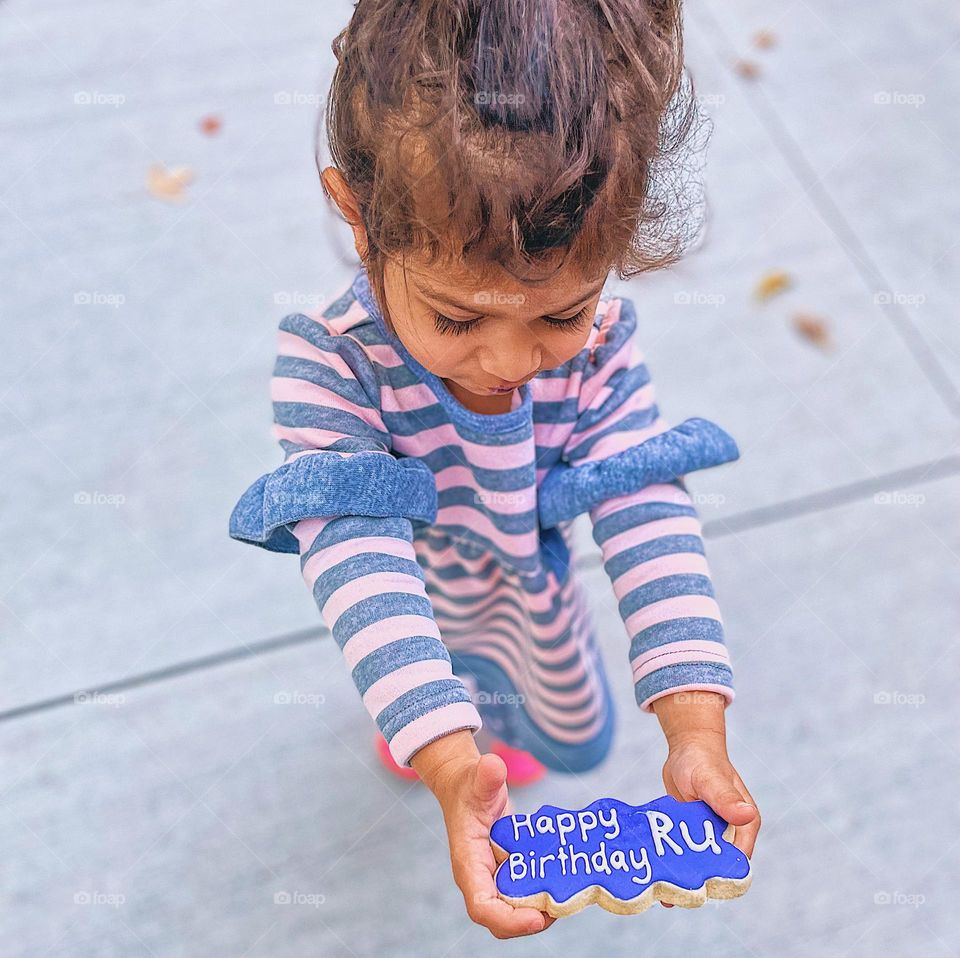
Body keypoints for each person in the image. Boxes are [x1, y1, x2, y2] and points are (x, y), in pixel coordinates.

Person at [229, 0, 760, 938]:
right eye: (460, 319)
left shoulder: (601, 346)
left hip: (530, 598)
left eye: (558, 315)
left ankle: (495, 736)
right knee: (435, 699)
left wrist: (695, 725)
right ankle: (446, 735)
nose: (511, 363)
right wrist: (439, 749)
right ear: (359, 217)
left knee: (527, 700)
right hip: (415, 593)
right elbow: (363, 569)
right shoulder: (333, 364)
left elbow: (645, 508)